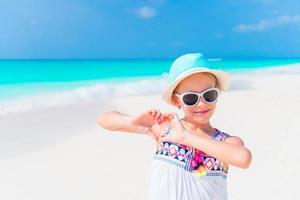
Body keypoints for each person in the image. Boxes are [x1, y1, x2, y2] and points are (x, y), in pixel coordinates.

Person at [97, 53, 252, 200]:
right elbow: (104, 119)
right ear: (176, 101)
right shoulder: (165, 130)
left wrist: (185, 137)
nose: (202, 103)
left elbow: (243, 158)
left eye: (209, 95)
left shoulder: (225, 142)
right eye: (191, 98)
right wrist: (131, 122)